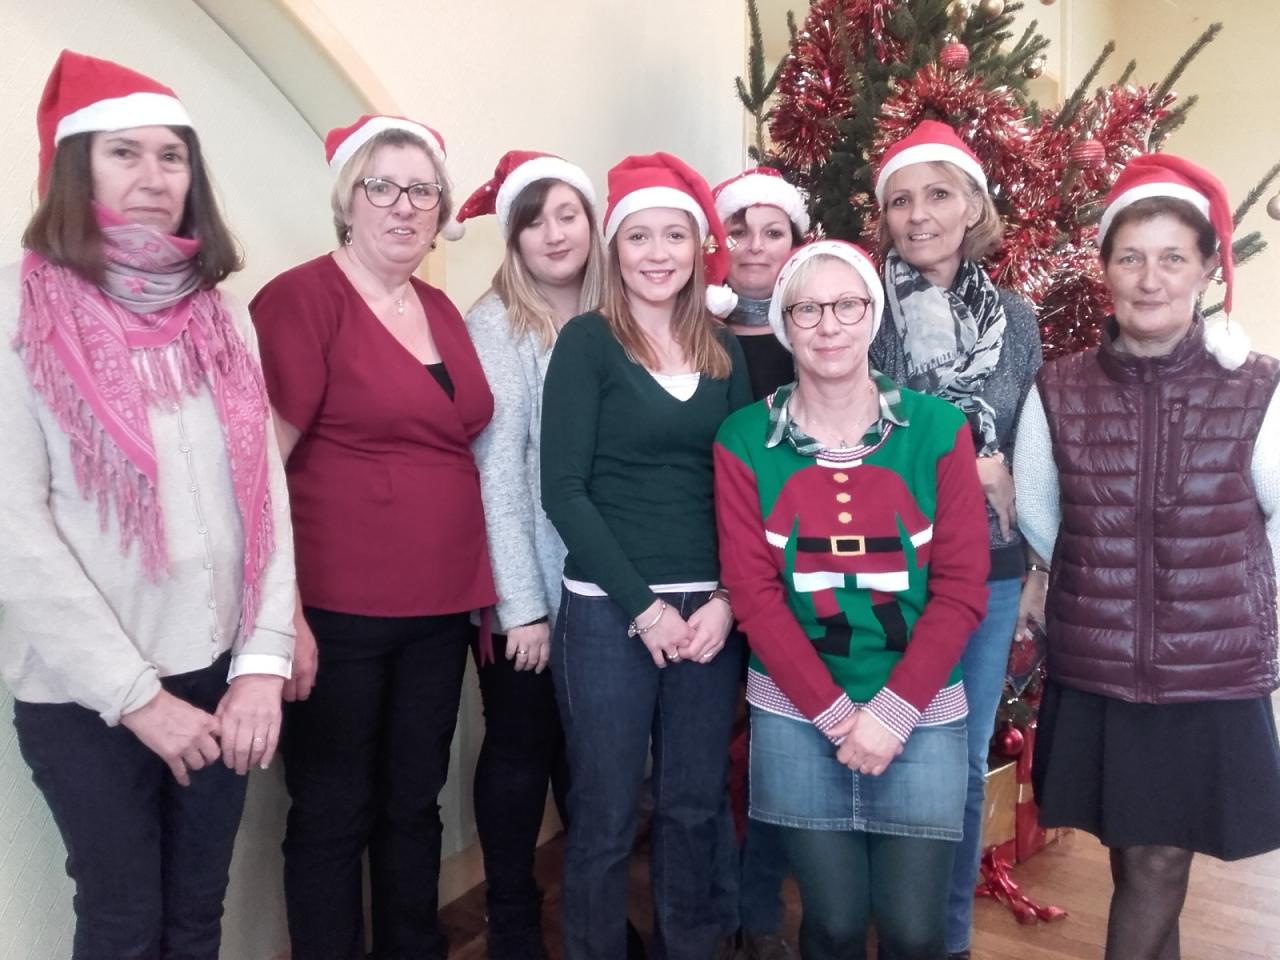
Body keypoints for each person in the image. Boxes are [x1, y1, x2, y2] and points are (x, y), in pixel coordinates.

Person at [0, 51, 295, 960]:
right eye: (125, 153)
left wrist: (261, 663)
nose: (154, 177)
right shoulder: (20, 313)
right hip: (86, 693)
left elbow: (266, 498)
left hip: (217, 669)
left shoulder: (221, 313)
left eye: (173, 156)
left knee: (197, 912)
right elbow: (15, 531)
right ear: (74, 164)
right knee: (124, 923)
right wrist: (136, 698)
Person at [1014, 153, 1280, 960]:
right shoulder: (1057, 387)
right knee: (1136, 856)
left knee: (1161, 858)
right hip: (1102, 666)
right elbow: (1039, 509)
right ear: (1105, 270)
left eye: (1172, 257)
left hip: (1208, 667)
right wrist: (1110, 579)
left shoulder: (1258, 389)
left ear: (1205, 268)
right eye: (1130, 257)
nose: (1151, 277)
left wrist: (1238, 600)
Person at [250, 114, 494, 960]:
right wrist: (283, 616)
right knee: (331, 809)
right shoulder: (301, 299)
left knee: (413, 802)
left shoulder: (438, 308)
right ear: (347, 202)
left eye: (421, 190)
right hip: (338, 609)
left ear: (440, 209)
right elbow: (256, 475)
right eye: (380, 186)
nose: (403, 206)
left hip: (441, 605)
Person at [714, 239, 990, 960]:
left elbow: (961, 589)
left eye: (848, 305)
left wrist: (892, 714)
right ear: (784, 324)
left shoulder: (937, 430)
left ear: (872, 318)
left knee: (912, 930)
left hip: (920, 708)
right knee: (832, 925)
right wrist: (838, 718)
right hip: (800, 710)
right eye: (807, 308)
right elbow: (755, 593)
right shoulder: (743, 441)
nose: (829, 324)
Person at [541, 152, 751, 960]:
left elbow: (744, 493)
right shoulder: (587, 344)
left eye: (674, 234)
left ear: (698, 246)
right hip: (607, 612)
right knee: (603, 816)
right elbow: (564, 490)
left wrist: (728, 600)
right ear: (614, 247)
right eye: (639, 236)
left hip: (710, 614)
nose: (657, 252)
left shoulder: (725, 351)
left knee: (695, 804)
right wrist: (646, 606)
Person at [869, 119, 1043, 960]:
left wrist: (1015, 496)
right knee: (895, 747)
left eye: (938, 194)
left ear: (973, 202)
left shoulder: (1017, 317)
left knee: (965, 763)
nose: (918, 214)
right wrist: (950, 468)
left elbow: (1032, 441)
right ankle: (888, 927)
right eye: (900, 199)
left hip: (995, 563)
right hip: (890, 565)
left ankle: (946, 941)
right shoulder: (862, 309)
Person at [455, 150, 603, 959]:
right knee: (521, 753)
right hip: (533, 596)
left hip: (609, 591)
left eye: (568, 213)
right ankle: (513, 922)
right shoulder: (496, 324)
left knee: (595, 765)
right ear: (513, 236)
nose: (554, 233)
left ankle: (594, 915)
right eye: (535, 218)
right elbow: (498, 475)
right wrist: (523, 607)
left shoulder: (621, 314)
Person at [708, 166, 810, 960]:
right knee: (707, 752)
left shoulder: (814, 330)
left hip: (794, 575)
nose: (754, 246)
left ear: (794, 245)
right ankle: (714, 910)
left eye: (773, 231)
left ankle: (763, 909)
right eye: (739, 229)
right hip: (706, 574)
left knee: (778, 745)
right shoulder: (689, 330)